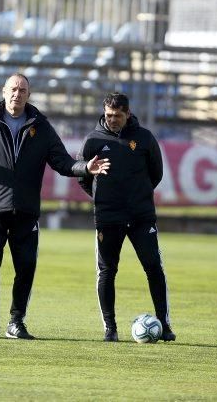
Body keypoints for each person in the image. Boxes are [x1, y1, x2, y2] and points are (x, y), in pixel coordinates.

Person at [0, 73, 110, 340]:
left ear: (29, 95)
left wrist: (85, 168)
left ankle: (16, 322)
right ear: (4, 91)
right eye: (13, 89)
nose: (17, 94)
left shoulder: (41, 127)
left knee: (26, 266)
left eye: (22, 90)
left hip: (27, 210)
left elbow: (63, 163)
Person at [77, 92, 176, 342]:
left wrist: (137, 196)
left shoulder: (144, 138)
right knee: (107, 271)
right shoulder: (93, 141)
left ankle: (164, 324)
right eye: (109, 115)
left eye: (118, 116)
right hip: (108, 217)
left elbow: (156, 173)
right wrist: (104, 198)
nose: (112, 120)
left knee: (153, 267)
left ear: (127, 114)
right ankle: (110, 329)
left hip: (141, 216)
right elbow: (83, 177)